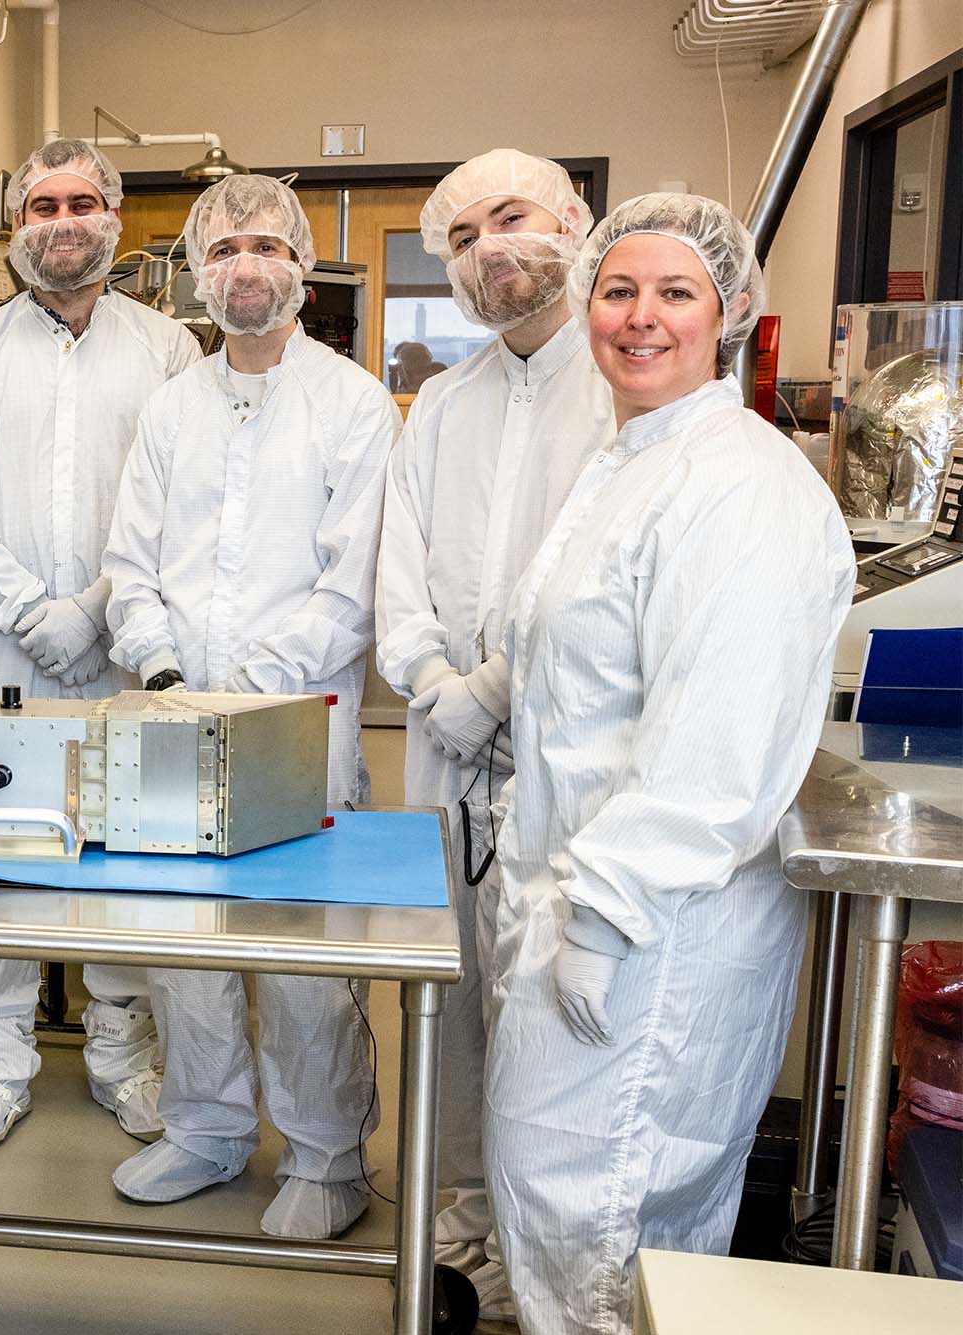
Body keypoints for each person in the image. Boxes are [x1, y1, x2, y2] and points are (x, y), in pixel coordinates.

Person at [483, 193, 854, 1334]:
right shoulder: (629, 460)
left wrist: (599, 916)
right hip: (575, 897)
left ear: (729, 309)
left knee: (605, 1245)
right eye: (616, 289)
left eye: (673, 292)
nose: (639, 318)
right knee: (563, 1222)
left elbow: (715, 751)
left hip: (645, 934)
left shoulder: (738, 488)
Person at [101, 173, 397, 1239]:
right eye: (222, 251)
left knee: (302, 953)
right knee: (182, 943)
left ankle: (324, 1157)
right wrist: (168, 673)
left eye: (266, 247)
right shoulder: (172, 407)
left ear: (302, 266)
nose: (246, 268)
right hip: (174, 715)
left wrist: (252, 689)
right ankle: (207, 1129)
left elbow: (349, 582)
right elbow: (129, 563)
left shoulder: (351, 405)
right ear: (194, 271)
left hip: (295, 729)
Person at [0, 139, 201, 1151]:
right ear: (14, 224)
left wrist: (94, 605)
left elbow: (177, 504)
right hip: (1, 646)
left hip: (125, 638)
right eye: (41, 204)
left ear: (113, 217)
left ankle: (124, 1059)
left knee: (127, 846)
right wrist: (34, 609)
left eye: (81, 200)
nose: (62, 220)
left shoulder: (167, 350)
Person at [375, 148, 615, 1319]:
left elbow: (599, 587)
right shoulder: (445, 406)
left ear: (573, 219)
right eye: (461, 237)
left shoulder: (626, 389)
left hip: (570, 770)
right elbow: (397, 573)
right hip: (445, 754)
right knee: (456, 1001)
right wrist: (437, 684)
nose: (488, 251)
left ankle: (546, 1262)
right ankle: (462, 1231)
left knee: (553, 1013)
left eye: (509, 218)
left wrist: (499, 692)